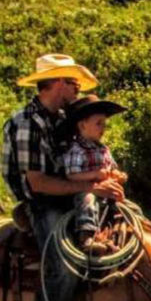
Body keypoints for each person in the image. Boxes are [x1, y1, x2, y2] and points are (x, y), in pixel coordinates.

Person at [1, 54, 124, 301]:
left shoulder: (61, 119)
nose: (78, 89)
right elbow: (38, 183)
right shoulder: (27, 123)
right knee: (63, 266)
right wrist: (93, 186)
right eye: (73, 82)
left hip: (73, 195)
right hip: (43, 203)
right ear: (56, 83)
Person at [57, 94, 128, 254]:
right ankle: (86, 235)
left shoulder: (103, 149)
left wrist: (118, 175)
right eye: (98, 124)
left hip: (107, 192)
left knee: (127, 205)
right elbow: (71, 175)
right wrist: (95, 174)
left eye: (104, 124)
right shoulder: (76, 149)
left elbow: (112, 168)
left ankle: (136, 228)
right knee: (87, 200)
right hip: (86, 191)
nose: (103, 128)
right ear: (82, 125)